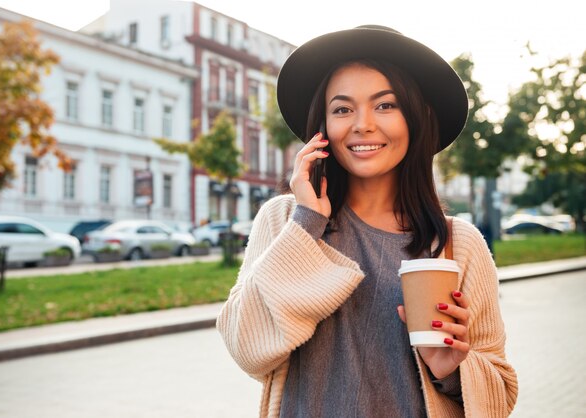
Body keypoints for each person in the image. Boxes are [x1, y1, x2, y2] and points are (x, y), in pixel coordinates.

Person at [217, 25, 518, 417]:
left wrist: (454, 369)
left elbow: (501, 395)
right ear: (322, 128)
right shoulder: (285, 220)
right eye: (342, 109)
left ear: (416, 118)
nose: (362, 124)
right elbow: (247, 348)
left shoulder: (457, 244)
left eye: (385, 105)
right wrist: (306, 224)